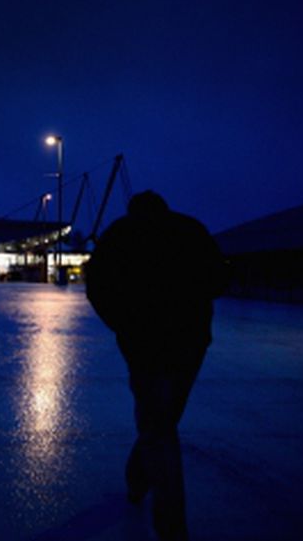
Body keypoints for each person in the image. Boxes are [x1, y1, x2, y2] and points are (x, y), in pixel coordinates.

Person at [85, 191, 227, 541]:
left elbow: (97, 287)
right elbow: (219, 280)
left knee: (156, 424)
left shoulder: (119, 234)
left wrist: (123, 323)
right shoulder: (191, 230)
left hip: (144, 345)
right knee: (164, 421)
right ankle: (141, 487)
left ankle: (166, 516)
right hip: (190, 342)